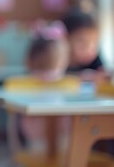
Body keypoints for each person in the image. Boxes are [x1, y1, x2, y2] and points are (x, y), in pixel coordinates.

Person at [18, 21, 75, 153]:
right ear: (62, 59)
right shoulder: (68, 83)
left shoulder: (24, 83)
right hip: (63, 131)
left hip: (33, 133)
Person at [61, 8, 107, 82]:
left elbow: (103, 76)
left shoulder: (95, 60)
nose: (89, 49)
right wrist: (78, 77)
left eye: (94, 43)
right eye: (82, 42)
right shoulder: (57, 59)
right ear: (65, 40)